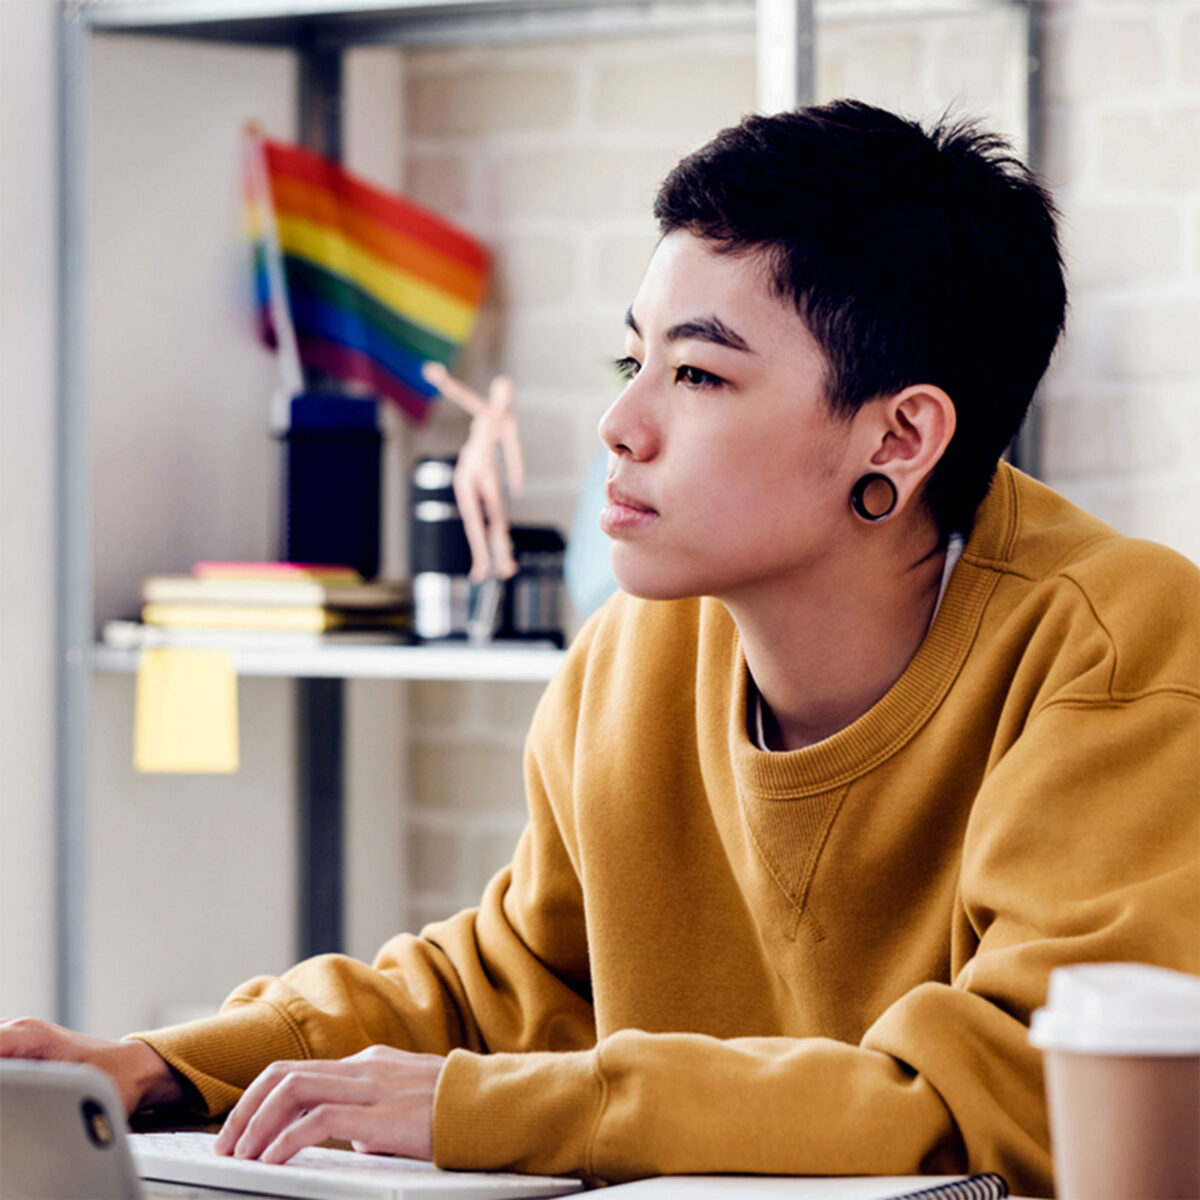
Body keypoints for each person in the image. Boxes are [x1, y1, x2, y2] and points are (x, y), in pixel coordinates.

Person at [3, 100, 1197, 1198]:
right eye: (635, 361)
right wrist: (161, 1069)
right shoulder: (636, 651)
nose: (621, 426)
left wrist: (485, 1109)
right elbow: (506, 984)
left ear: (898, 436)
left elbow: (999, 1102)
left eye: (698, 372)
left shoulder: (1119, 650)